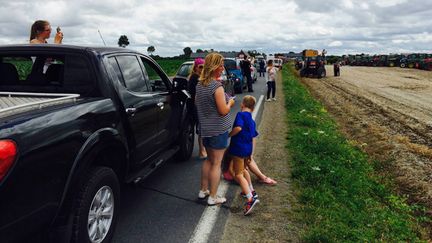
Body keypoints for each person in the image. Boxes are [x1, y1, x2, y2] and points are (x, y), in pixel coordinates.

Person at [195, 53, 235, 205]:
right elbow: (223, 110)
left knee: (209, 161)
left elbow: (197, 103)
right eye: (221, 65)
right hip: (218, 130)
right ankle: (213, 196)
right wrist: (230, 103)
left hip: (206, 129)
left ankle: (203, 190)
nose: (223, 68)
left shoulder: (200, 85)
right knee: (217, 163)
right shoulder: (216, 87)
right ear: (214, 67)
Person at [228, 95, 260, 215]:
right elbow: (253, 137)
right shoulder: (251, 120)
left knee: (238, 174)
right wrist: (251, 153)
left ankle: (250, 199)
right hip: (247, 149)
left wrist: (229, 135)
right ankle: (251, 190)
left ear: (242, 105)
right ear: (252, 107)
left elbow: (238, 128)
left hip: (238, 149)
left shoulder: (240, 115)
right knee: (244, 170)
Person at [188, 58, 207, 159]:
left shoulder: (198, 77)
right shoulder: (195, 78)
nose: (202, 68)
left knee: (201, 129)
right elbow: (195, 95)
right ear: (195, 67)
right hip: (197, 107)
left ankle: (203, 150)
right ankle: (201, 151)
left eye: (204, 66)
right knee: (201, 129)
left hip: (198, 106)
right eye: (200, 67)